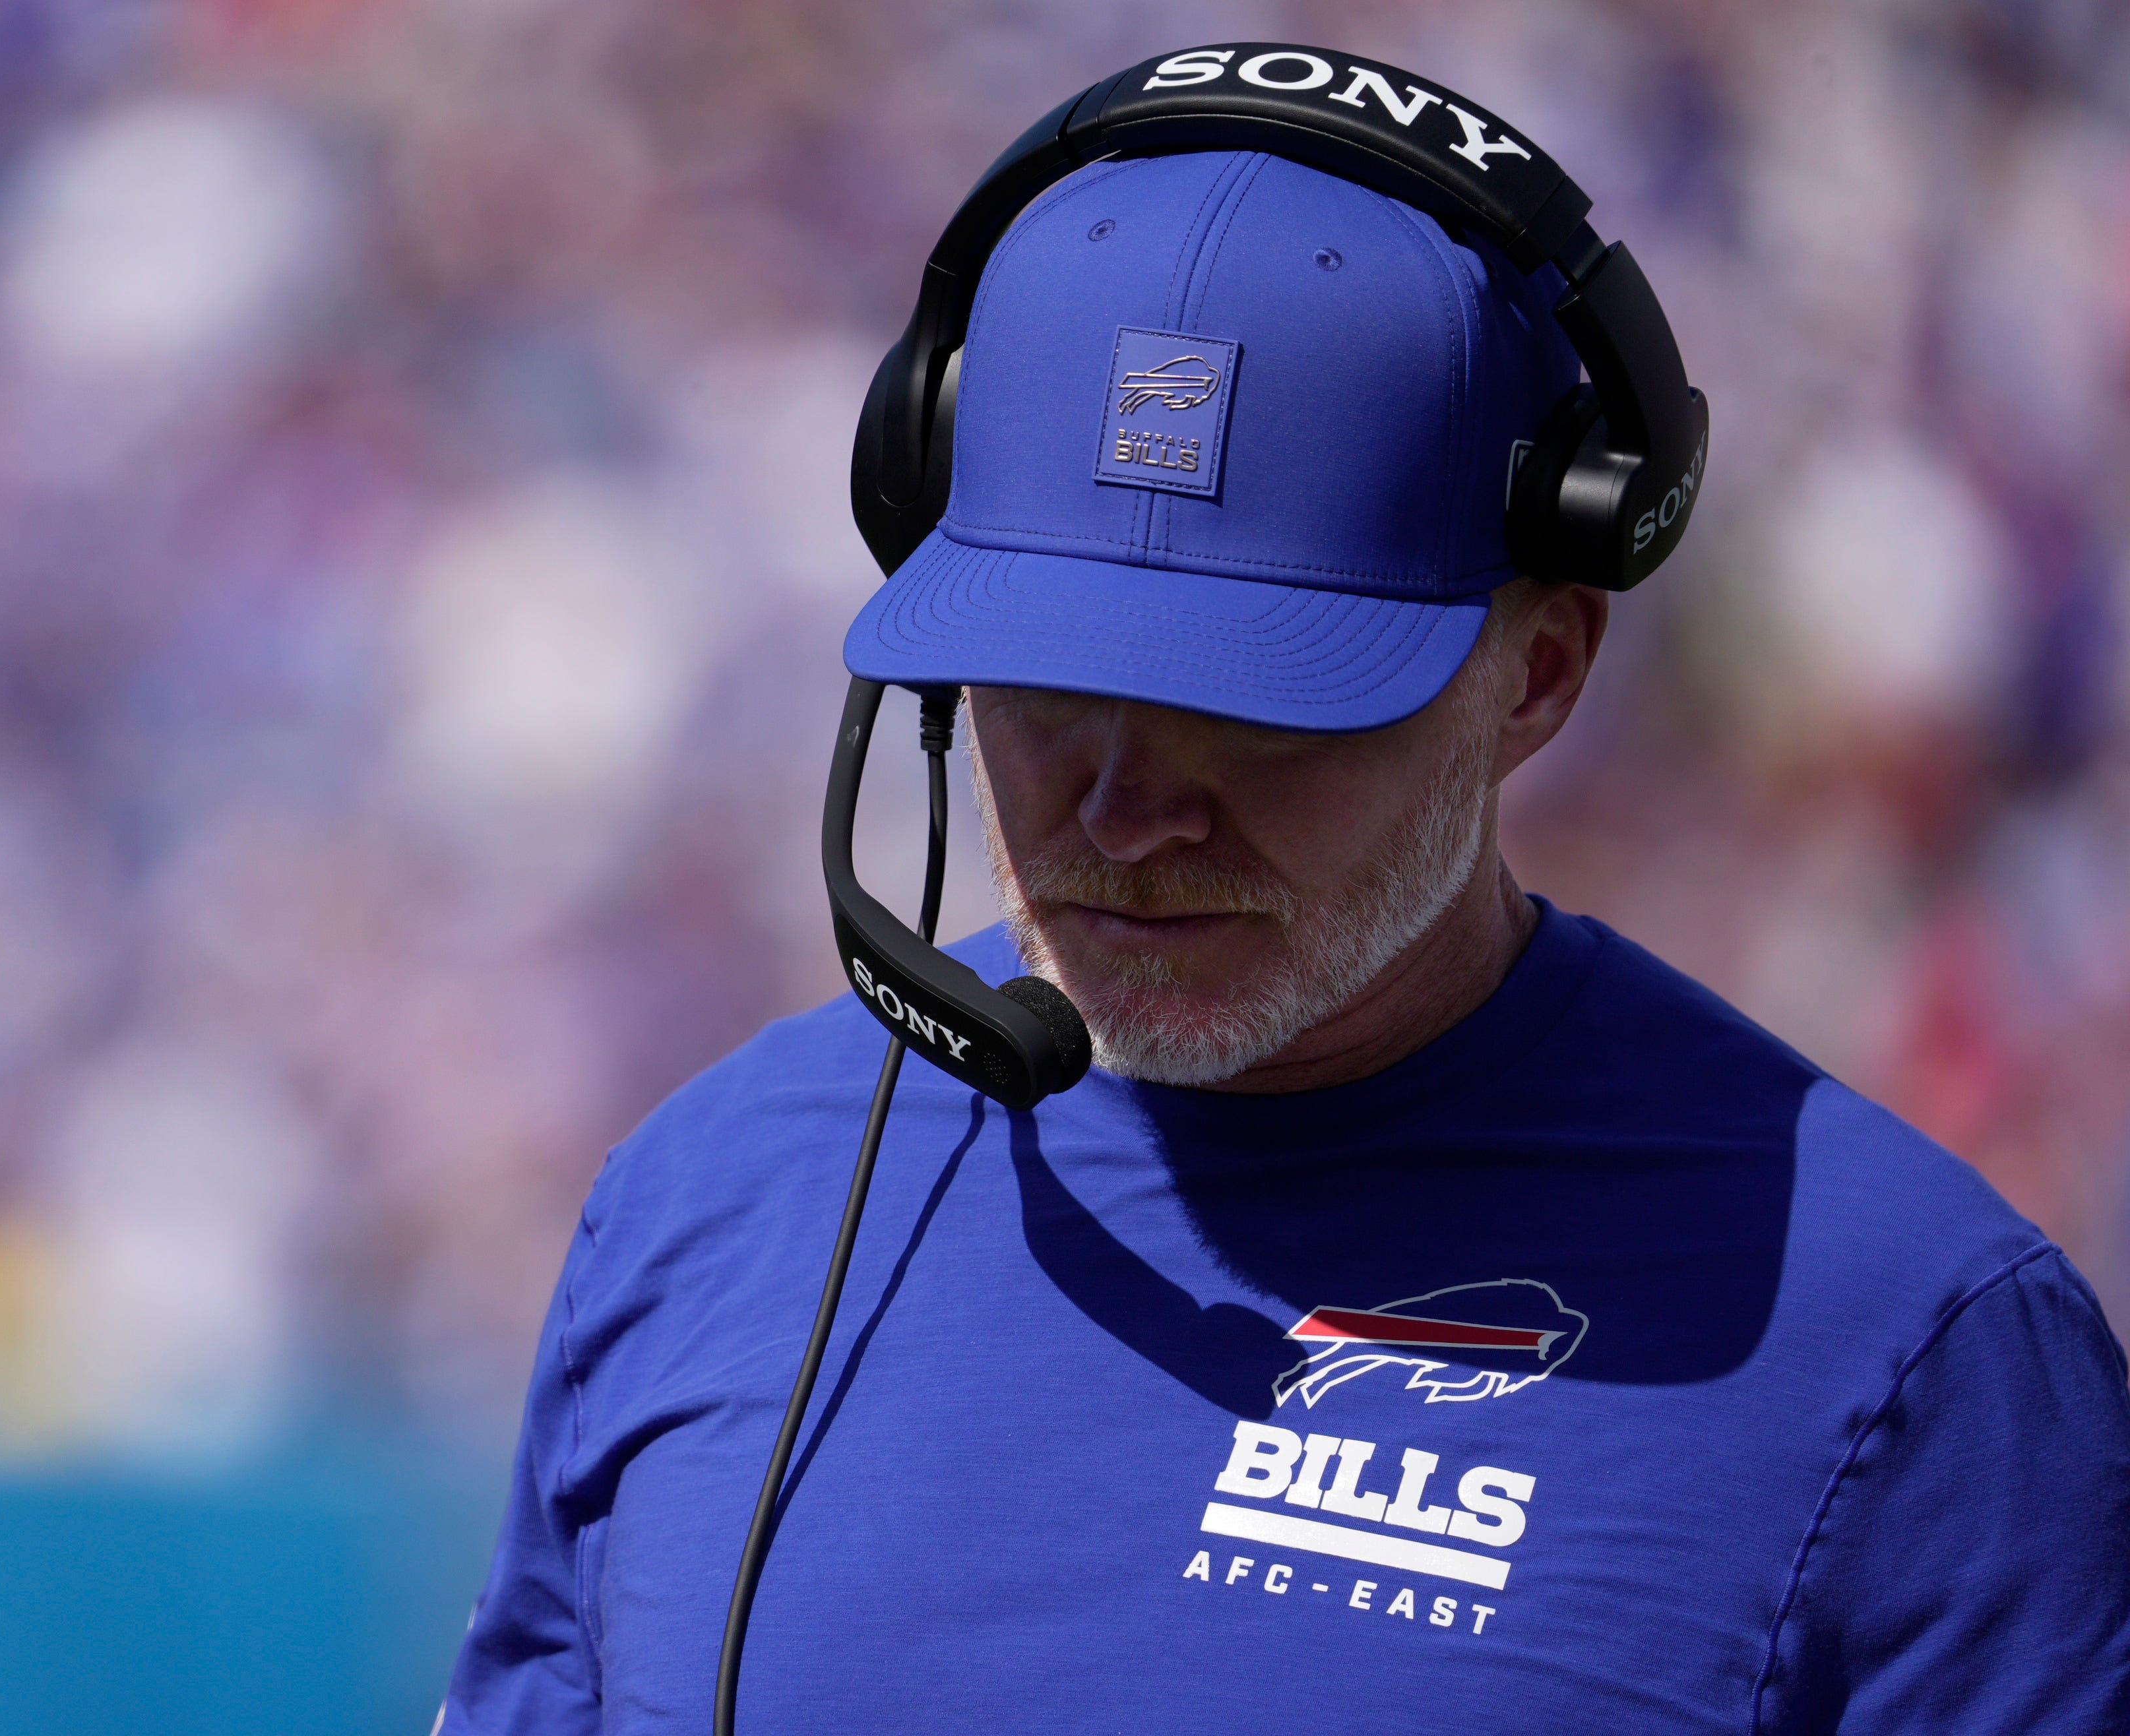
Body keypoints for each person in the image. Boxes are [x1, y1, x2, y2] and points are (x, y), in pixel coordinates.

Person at [439, 139, 2130, 1733]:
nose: (1124, 813)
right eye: (1044, 694)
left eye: (1258, 714)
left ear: (1536, 674)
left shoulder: (1919, 1346)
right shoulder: (707, 1203)